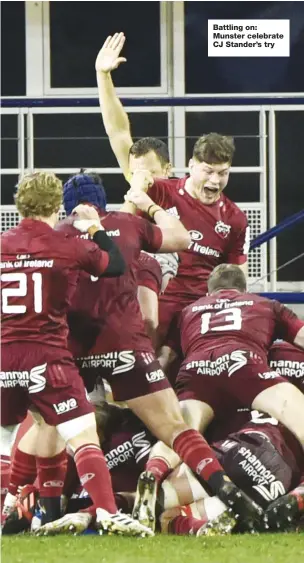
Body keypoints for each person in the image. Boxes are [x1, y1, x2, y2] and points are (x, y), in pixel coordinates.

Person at [57, 172, 264, 533]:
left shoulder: (56, 235)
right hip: (125, 345)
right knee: (174, 427)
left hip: (73, 350)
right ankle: (227, 490)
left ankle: (49, 507)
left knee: (64, 434)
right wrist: (151, 204)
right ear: (104, 201)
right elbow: (182, 238)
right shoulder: (128, 224)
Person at [0, 171, 153, 538]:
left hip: (4, 358)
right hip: (48, 357)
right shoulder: (66, 245)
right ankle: (108, 512)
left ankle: (13, 508)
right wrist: (95, 229)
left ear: (20, 204)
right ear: (57, 206)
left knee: (12, 438)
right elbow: (114, 265)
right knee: (83, 435)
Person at [96, 33, 250, 352]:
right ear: (191, 166)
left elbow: (236, 279)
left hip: (202, 311)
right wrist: (103, 77)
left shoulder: (235, 218)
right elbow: (119, 132)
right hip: (156, 302)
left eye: (223, 173)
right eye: (208, 171)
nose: (215, 181)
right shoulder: (161, 190)